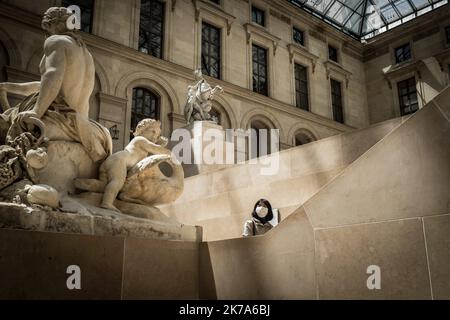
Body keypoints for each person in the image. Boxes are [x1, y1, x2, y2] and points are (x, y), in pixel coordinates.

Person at [0, 7, 112, 162]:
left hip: (61, 114)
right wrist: (9, 87)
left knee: (6, 127)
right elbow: (46, 86)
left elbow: (53, 77)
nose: (46, 32)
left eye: (47, 27)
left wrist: (36, 111)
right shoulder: (86, 53)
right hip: (81, 120)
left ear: (52, 24)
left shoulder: (56, 41)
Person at [74, 119, 170, 212]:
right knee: (117, 182)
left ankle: (80, 183)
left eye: (157, 135)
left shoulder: (143, 146)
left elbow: (153, 150)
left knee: (104, 186)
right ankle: (106, 203)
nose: (154, 136)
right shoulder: (140, 140)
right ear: (142, 130)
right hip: (119, 161)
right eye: (152, 131)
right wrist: (168, 152)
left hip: (113, 160)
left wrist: (159, 144)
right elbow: (156, 149)